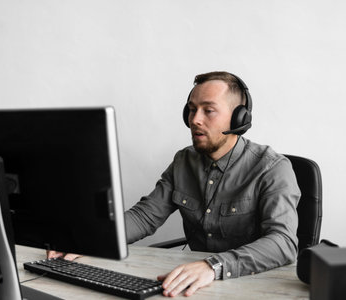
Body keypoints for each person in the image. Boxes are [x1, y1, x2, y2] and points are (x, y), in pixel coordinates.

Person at [49, 71, 301, 297]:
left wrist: (214, 266)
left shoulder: (272, 168)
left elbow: (283, 242)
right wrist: (91, 238)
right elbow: (145, 216)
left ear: (239, 118)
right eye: (191, 109)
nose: (195, 119)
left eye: (208, 110)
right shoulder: (184, 161)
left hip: (255, 286)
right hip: (194, 287)